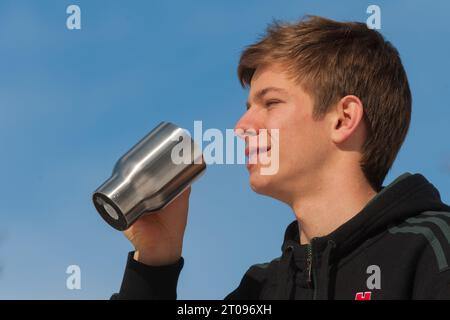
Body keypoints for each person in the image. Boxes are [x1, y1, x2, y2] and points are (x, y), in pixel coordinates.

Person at [111, 16, 450, 300]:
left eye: (271, 103)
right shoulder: (261, 289)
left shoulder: (431, 249)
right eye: (247, 109)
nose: (241, 127)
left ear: (344, 119)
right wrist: (155, 262)